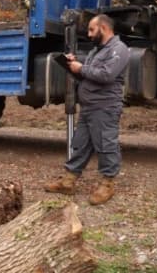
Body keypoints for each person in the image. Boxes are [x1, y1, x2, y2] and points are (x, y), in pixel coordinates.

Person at [45, 14, 130, 205]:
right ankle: (68, 181)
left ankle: (107, 184)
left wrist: (81, 68)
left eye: (92, 30)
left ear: (104, 28)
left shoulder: (119, 49)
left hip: (105, 106)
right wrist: (72, 65)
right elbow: (89, 75)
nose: (90, 35)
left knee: (106, 144)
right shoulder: (96, 51)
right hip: (89, 106)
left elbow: (107, 75)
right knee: (81, 143)